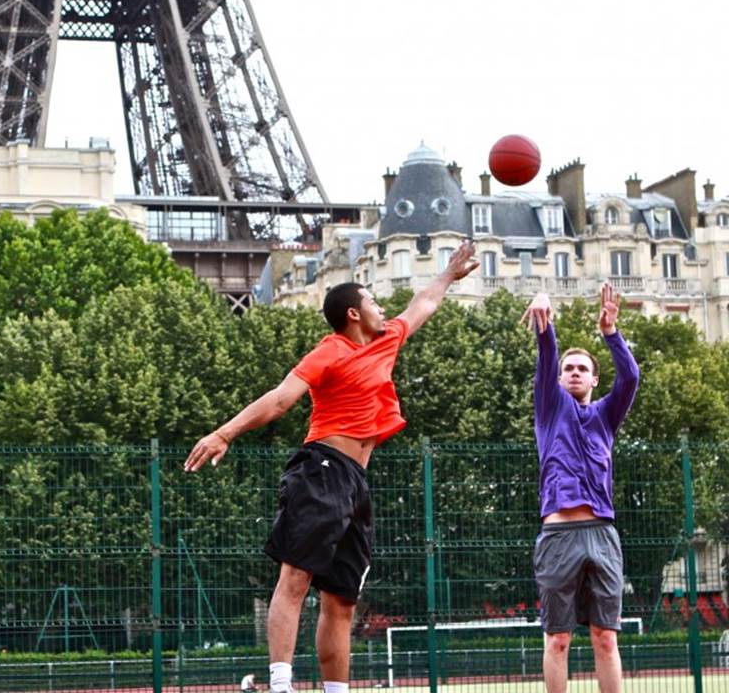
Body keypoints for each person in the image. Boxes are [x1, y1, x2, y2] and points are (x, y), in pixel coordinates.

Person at [185, 243, 479, 693]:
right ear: (353, 314)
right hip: (322, 469)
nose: (383, 307)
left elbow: (425, 303)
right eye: (373, 302)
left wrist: (448, 273)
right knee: (296, 576)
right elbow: (282, 399)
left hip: (355, 483)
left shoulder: (388, 341)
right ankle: (281, 685)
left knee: (342, 599)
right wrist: (225, 432)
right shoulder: (330, 350)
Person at [520, 283, 640, 693]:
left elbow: (631, 376)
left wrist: (610, 332)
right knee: (558, 638)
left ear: (593, 378)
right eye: (568, 368)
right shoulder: (550, 408)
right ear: (558, 379)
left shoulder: (607, 415)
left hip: (602, 534)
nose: (573, 372)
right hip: (558, 535)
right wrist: (543, 317)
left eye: (581, 369)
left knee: (605, 638)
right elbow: (547, 354)